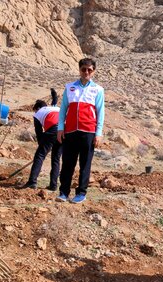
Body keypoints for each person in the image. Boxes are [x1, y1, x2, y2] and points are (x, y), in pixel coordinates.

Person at [56, 58, 105, 204]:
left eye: (89, 70)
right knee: (67, 164)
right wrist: (60, 128)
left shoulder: (98, 89)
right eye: (84, 69)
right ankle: (63, 192)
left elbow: (100, 111)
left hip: (88, 131)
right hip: (70, 131)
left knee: (85, 164)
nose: (86, 72)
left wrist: (98, 133)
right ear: (79, 70)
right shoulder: (70, 87)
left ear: (93, 71)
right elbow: (63, 109)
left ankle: (81, 193)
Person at [21, 89, 62, 190]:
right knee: (56, 158)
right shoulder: (54, 107)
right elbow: (55, 100)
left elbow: (39, 133)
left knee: (40, 156)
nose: (35, 112)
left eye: (35, 110)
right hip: (65, 131)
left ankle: (32, 182)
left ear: (37, 108)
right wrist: (54, 94)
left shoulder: (38, 113)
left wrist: (42, 145)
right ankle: (53, 185)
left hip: (53, 130)